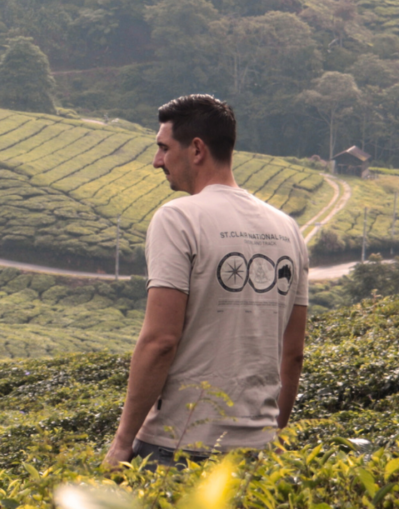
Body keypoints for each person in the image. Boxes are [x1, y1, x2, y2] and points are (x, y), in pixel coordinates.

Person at [103, 93, 309, 468]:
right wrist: (271, 434)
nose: (157, 161)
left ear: (196, 150)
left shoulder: (178, 219)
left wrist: (122, 442)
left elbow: (161, 340)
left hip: (179, 447)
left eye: (163, 149)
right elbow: (292, 354)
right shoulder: (288, 229)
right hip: (257, 451)